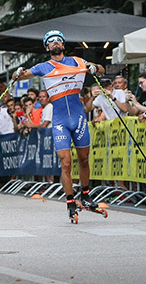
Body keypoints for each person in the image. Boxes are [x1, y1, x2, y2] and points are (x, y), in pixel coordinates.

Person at [14, 29, 105, 221]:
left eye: (58, 41)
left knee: (84, 159)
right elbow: (23, 75)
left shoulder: (77, 61)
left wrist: (95, 68)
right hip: (60, 120)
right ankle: (71, 202)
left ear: (63, 44)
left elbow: (100, 69)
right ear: (47, 47)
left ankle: (86, 195)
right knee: (65, 162)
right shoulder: (44, 66)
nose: (55, 43)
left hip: (78, 117)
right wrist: (17, 73)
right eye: (51, 41)